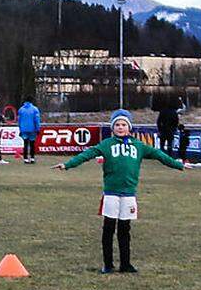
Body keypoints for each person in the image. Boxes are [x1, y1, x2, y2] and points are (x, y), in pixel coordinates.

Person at [53, 109, 186, 273]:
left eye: (123, 124)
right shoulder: (106, 144)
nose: (120, 127)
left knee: (125, 229)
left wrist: (179, 165)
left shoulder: (138, 146)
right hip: (111, 194)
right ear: (112, 127)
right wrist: (67, 165)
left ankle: (125, 264)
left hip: (129, 194)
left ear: (129, 127)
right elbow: (86, 154)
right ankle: (108, 264)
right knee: (108, 228)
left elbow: (159, 155)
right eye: (117, 124)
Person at [17, 96, 41, 164]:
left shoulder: (21, 109)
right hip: (32, 129)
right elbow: (37, 120)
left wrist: (20, 129)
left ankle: (25, 159)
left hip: (24, 129)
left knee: (25, 144)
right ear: (32, 101)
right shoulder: (35, 109)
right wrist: (38, 129)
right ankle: (32, 158)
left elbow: (19, 120)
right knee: (32, 144)